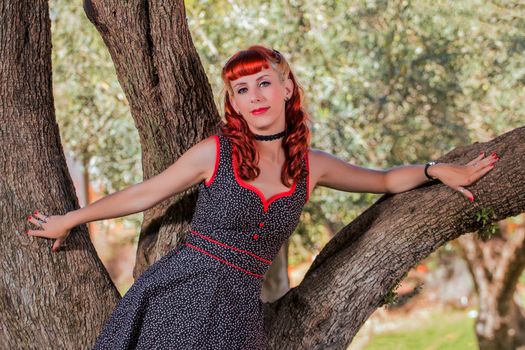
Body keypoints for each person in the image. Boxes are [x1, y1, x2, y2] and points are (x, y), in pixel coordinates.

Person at [25, 45, 499, 349]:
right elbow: (144, 193)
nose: (255, 97)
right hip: (180, 295)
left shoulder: (313, 166)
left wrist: (436, 170)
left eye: (264, 83)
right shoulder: (217, 152)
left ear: (287, 87)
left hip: (239, 309)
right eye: (241, 89)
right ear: (231, 102)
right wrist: (72, 219)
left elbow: (384, 180)